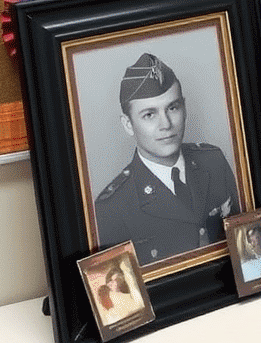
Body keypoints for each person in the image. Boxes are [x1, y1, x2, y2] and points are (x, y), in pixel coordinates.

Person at [95, 53, 240, 265]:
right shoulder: (113, 207)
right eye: (149, 115)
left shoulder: (213, 161)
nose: (166, 124)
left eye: (172, 108)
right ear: (128, 124)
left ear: (184, 107)